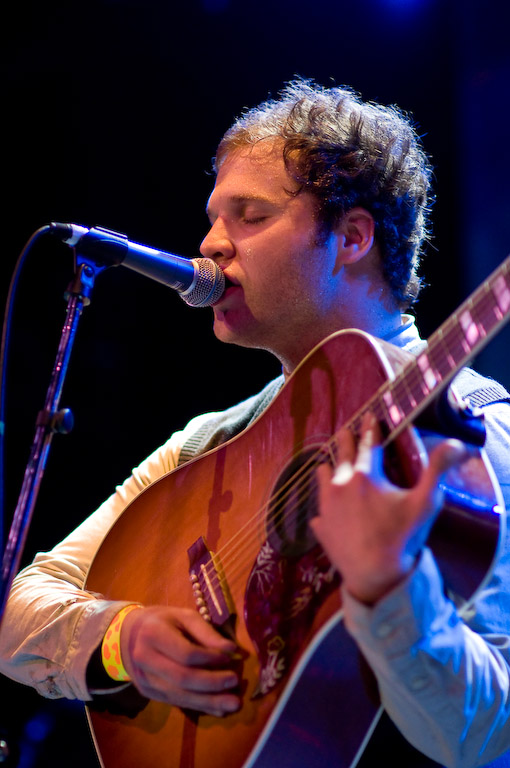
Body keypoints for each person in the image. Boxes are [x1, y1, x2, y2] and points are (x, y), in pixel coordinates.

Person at [1, 79, 510, 768]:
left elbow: (494, 737)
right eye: (214, 216)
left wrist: (389, 590)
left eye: (250, 215)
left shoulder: (474, 434)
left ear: (352, 237)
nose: (210, 244)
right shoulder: (207, 441)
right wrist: (123, 637)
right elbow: (18, 606)